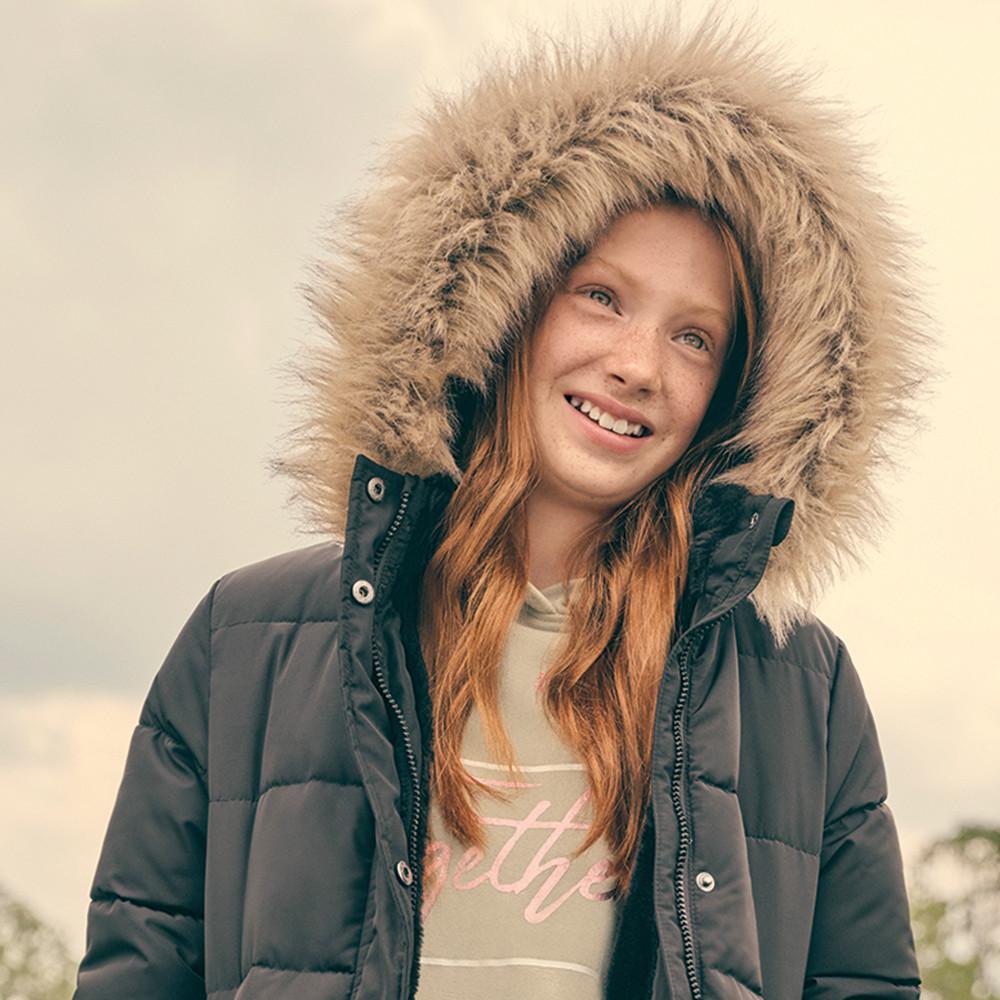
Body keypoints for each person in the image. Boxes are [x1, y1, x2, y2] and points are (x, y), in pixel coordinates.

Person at [74, 9, 930, 1000]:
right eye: (600, 296)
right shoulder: (246, 642)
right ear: (504, 300)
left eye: (695, 338)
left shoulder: (800, 691)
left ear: (737, 394)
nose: (637, 365)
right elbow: (138, 972)